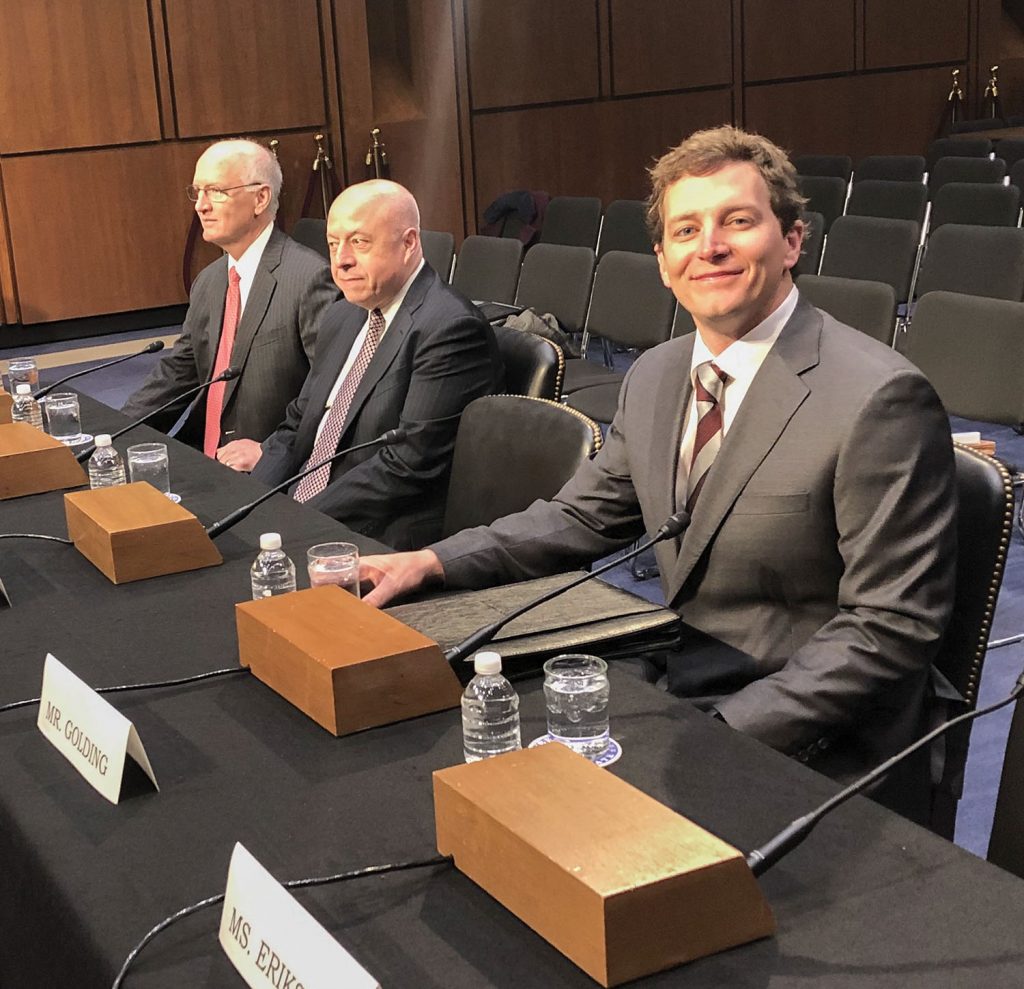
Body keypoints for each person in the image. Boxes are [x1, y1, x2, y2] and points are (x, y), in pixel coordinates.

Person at [358, 126, 957, 817]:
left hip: (821, 731)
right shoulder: (657, 374)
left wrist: (725, 735)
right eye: (686, 230)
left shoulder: (878, 399)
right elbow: (579, 517)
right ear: (665, 263)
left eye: (738, 220)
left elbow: (887, 628)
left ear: (792, 241)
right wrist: (430, 562)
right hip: (691, 676)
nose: (711, 247)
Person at [219, 179, 503, 551]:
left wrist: (295, 520)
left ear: (409, 244)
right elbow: (296, 426)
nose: (341, 260)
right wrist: (254, 506)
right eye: (334, 244)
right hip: (307, 509)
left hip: (381, 532)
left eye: (359, 242)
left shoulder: (449, 328)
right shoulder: (344, 315)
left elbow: (406, 465)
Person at [122, 139, 338, 456]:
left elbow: (331, 389)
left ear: (260, 198)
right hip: (203, 459)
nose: (201, 205)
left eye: (217, 191)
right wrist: (110, 433)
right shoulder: (209, 281)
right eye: (197, 192)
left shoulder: (309, 279)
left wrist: (271, 451)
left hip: (268, 472)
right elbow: (177, 374)